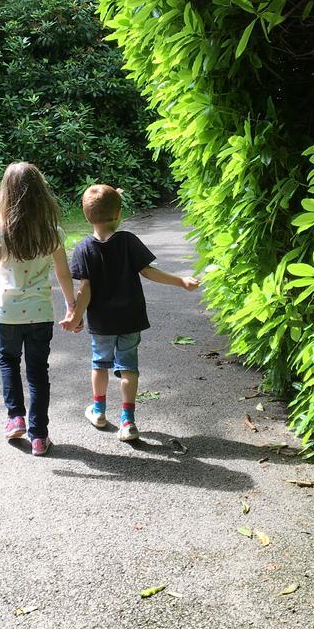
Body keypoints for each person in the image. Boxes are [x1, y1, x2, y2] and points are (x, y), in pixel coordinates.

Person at [61, 184, 200, 441]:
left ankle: (99, 411)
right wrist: (181, 281)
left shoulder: (83, 249)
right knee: (128, 368)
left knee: (99, 365)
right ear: (117, 214)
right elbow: (148, 271)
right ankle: (128, 421)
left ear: (86, 215)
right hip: (130, 318)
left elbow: (85, 289)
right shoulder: (128, 241)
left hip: (102, 322)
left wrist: (76, 316)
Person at [0, 162, 75, 456]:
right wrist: (72, 305)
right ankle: (39, 436)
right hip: (40, 312)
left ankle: (15, 418)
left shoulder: (0, 230)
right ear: (41, 194)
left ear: (6, 193)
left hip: (6, 312)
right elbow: (63, 273)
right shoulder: (53, 232)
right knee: (37, 373)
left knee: (8, 363)